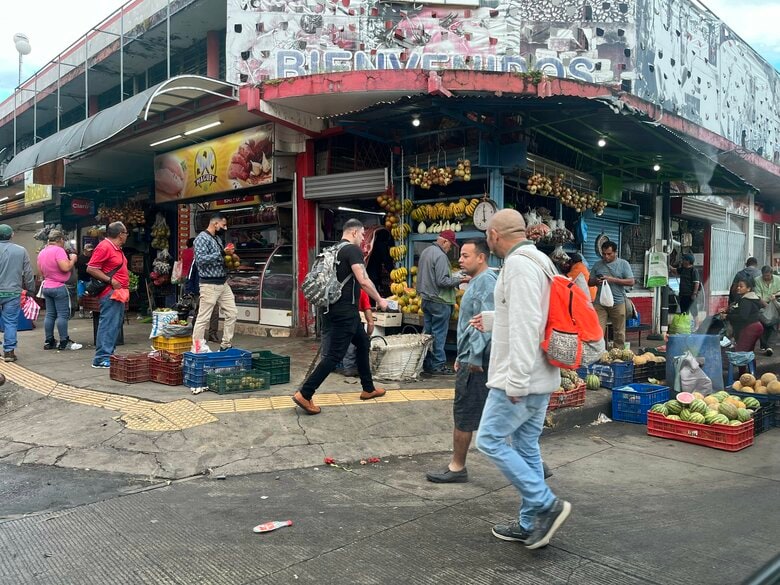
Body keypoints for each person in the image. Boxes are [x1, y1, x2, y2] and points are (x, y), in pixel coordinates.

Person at [473, 209, 571, 550]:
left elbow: (528, 322)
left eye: (487, 234)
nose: (487, 239)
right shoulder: (539, 260)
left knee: (489, 440)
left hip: (521, 377)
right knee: (526, 445)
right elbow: (529, 312)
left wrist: (515, 380)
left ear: (495, 235)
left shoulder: (518, 265)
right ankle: (532, 523)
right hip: (540, 374)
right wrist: (492, 319)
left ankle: (546, 504)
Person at [292, 219, 389, 415]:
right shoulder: (352, 251)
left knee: (362, 343)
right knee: (334, 356)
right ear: (353, 232)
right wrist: (379, 299)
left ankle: (368, 388)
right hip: (343, 312)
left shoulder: (333, 250)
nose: (363, 239)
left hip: (334, 309)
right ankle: (305, 393)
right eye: (362, 235)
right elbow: (363, 279)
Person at [426, 239, 497, 483]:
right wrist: (462, 354)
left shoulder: (485, 283)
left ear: (481, 257)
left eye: (466, 256)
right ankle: (534, 465)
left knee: (464, 413)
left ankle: (457, 467)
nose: (461, 260)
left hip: (477, 363)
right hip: (471, 357)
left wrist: (472, 357)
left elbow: (485, 323)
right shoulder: (476, 282)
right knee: (495, 415)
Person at [417, 229, 470, 375]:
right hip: (440, 301)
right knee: (439, 334)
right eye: (450, 245)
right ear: (445, 241)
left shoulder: (426, 252)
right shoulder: (440, 256)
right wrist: (462, 279)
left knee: (428, 334)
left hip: (426, 300)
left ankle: (426, 363)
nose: (450, 248)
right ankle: (438, 365)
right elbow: (442, 281)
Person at [87, 222, 130, 368]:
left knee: (114, 325)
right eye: (126, 233)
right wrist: (111, 280)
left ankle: (108, 354)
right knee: (108, 324)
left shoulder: (116, 248)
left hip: (117, 292)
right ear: (120, 234)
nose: (126, 236)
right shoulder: (105, 246)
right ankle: (101, 358)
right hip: (110, 292)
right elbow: (91, 268)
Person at [192, 213, 237, 352]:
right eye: (223, 225)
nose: (225, 227)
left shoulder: (217, 238)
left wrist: (231, 258)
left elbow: (220, 259)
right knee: (203, 318)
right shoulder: (201, 239)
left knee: (232, 313)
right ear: (215, 223)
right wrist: (222, 253)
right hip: (209, 284)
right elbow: (201, 260)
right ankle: (197, 347)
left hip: (223, 283)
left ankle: (226, 344)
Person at [37, 230, 83, 351]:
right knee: (63, 315)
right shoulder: (58, 250)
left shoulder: (42, 252)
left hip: (47, 286)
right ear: (60, 240)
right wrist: (72, 259)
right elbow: (65, 267)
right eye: (63, 240)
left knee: (50, 315)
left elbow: (40, 272)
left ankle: (49, 341)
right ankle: (64, 341)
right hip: (59, 287)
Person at [589, 241, 635, 349]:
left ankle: (618, 354)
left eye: (609, 254)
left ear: (615, 252)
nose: (606, 256)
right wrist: (596, 281)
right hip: (600, 303)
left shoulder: (623, 264)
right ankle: (598, 353)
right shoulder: (597, 265)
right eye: (604, 254)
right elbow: (589, 282)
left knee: (619, 332)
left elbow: (631, 281)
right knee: (597, 329)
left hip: (617, 302)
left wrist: (612, 280)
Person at [0, 224, 35, 363]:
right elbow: (28, 272)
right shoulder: (21, 251)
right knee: (10, 322)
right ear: (12, 235)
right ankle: (9, 352)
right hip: (13, 292)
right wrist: (31, 289)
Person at [336, 290, 374, 377]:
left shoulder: (340, 291)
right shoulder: (362, 293)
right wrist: (369, 332)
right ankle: (350, 368)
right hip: (354, 321)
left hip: (339, 320)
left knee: (343, 344)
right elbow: (369, 317)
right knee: (357, 344)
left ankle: (344, 366)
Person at [721, 276, 763, 353]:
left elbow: (743, 317)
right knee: (749, 352)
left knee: (740, 352)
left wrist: (727, 316)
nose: (738, 288)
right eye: (738, 286)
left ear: (748, 289)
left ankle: (742, 365)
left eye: (741, 286)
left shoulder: (746, 300)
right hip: (757, 326)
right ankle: (751, 365)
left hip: (751, 328)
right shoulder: (752, 298)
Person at [183, 259, 220, 343]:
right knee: (200, 311)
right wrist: (188, 290)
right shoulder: (196, 260)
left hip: (214, 289)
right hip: (199, 290)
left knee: (215, 311)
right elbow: (190, 275)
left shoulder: (215, 260)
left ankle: (213, 334)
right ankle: (195, 331)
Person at [753, 266, 780, 356]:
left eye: (768, 275)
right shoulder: (757, 280)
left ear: (771, 274)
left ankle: (769, 346)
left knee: (773, 324)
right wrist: (768, 307)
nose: (766, 277)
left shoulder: (778, 280)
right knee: (764, 323)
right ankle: (765, 345)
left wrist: (775, 298)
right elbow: (758, 296)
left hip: (774, 304)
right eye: (764, 276)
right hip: (762, 304)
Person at [76, 244, 94, 317]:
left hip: (91, 279)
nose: (90, 253)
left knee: (91, 295)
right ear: (85, 250)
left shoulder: (93, 258)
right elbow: (75, 268)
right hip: (81, 279)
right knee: (81, 295)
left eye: (91, 251)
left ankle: (91, 310)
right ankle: (81, 309)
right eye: (89, 251)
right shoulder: (79, 258)